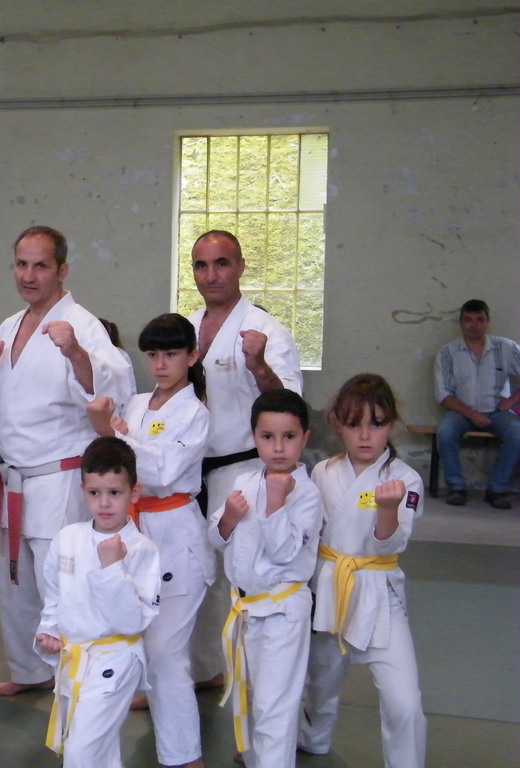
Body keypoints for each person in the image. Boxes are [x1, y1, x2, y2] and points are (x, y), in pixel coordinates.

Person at [0, 225, 133, 697]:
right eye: (21, 264)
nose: (28, 275)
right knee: (14, 585)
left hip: (58, 478)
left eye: (40, 265)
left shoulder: (82, 324)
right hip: (14, 477)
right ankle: (29, 671)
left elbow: (113, 388)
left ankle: (77, 682)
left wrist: (76, 352)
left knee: (61, 588)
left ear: (62, 270)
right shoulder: (10, 326)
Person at [87, 313, 212, 768]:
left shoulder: (195, 413)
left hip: (176, 531)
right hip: (135, 528)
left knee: (166, 651)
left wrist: (115, 434)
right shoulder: (138, 403)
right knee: (135, 636)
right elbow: (114, 460)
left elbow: (161, 470)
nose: (160, 364)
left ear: (191, 356)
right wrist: (112, 432)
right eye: (153, 355)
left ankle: (185, 756)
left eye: (171, 354)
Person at [187, 229, 303, 688]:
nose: (211, 274)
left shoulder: (266, 330)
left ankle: (256, 682)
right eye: (201, 265)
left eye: (221, 263)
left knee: (244, 575)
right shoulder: (186, 325)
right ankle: (204, 670)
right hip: (190, 471)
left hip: (243, 468)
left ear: (240, 267)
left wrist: (259, 365)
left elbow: (291, 407)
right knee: (196, 574)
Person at [299, 374, 426, 768]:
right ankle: (312, 740)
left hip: (379, 593)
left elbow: (390, 546)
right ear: (338, 424)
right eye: (354, 425)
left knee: (404, 701)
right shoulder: (323, 472)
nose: (366, 435)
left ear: (392, 424)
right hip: (327, 588)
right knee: (319, 687)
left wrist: (388, 510)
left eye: (377, 423)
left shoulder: (405, 479)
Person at [207, 389, 322, 768]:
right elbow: (217, 538)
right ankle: (257, 757)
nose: (278, 447)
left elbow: (284, 551)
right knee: (254, 696)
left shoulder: (307, 494)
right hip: (245, 608)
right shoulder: (244, 480)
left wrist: (275, 501)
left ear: (305, 438)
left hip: (282, 612)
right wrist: (229, 519)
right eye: (267, 436)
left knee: (276, 707)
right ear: (253, 436)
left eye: (289, 436)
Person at [35, 436, 160, 768]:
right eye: (94, 493)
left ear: (134, 492)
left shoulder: (142, 549)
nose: (104, 503)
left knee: (83, 751)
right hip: (75, 656)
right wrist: (50, 630)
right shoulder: (68, 538)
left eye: (115, 493)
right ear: (83, 491)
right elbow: (55, 594)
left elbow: (132, 621)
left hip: (115, 660)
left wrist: (112, 568)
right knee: (96, 751)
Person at [434, 299, 520, 509]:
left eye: (479, 319)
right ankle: (456, 488)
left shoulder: (507, 348)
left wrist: (510, 401)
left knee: (517, 433)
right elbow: (444, 395)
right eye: (468, 320)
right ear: (461, 323)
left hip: (497, 412)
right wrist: (472, 414)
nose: (474, 325)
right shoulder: (447, 353)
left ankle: (497, 489)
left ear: (488, 321)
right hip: (461, 412)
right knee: (445, 430)